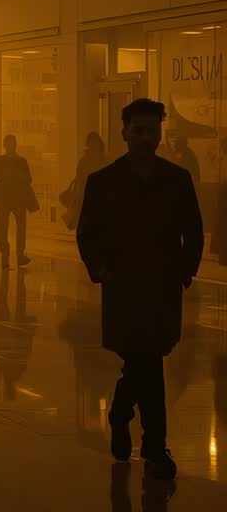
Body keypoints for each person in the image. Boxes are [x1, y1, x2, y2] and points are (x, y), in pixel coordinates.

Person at [76, 98, 202, 481]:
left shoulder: (177, 180)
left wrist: (184, 272)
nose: (147, 138)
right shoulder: (103, 181)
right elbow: (87, 232)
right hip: (125, 287)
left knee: (144, 362)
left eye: (153, 131)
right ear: (124, 133)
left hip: (162, 286)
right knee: (147, 363)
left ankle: (123, 415)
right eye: (139, 131)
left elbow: (193, 231)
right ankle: (152, 445)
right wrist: (100, 270)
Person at [0, 135, 35, 269]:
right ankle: (6, 253)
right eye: (8, 144)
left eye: (11, 144)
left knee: (18, 227)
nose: (10, 146)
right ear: (5, 145)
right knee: (5, 227)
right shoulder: (0, 161)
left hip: (17, 199)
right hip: (5, 200)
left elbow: (29, 178)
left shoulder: (20, 161)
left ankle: (19, 254)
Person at [62, 132, 106, 231]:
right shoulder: (86, 161)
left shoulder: (101, 159)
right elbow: (80, 179)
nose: (93, 146)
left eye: (94, 143)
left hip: (99, 196)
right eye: (92, 143)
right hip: (86, 195)